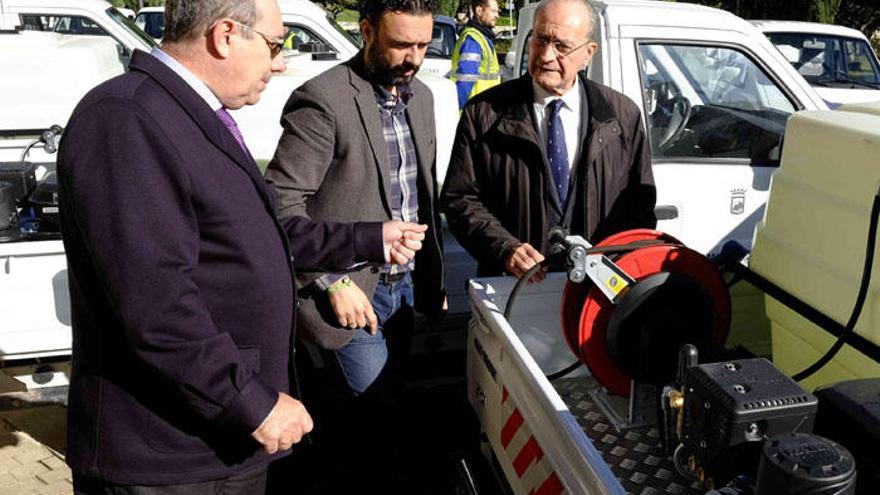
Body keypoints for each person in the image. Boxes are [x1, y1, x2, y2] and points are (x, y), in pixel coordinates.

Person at [58, 0, 427, 493]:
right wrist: (251, 402)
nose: (279, 62)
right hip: (166, 458)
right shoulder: (127, 119)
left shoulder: (188, 114)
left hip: (215, 443)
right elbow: (155, 304)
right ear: (226, 35)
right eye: (275, 44)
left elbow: (258, 234)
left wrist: (366, 237)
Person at [265, 0, 445, 488]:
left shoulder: (422, 98)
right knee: (375, 418)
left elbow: (419, 197)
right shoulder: (323, 101)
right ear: (366, 31)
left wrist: (432, 278)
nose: (413, 57)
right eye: (401, 44)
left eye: (423, 45)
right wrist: (330, 280)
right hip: (348, 297)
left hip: (403, 289)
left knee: (386, 409)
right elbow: (278, 210)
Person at [441, 0, 656, 280]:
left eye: (561, 46)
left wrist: (617, 271)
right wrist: (505, 249)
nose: (545, 55)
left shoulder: (621, 117)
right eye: (540, 39)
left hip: (595, 293)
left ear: (588, 53)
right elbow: (459, 199)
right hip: (514, 290)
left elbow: (639, 209)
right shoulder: (484, 114)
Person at [449, 0, 501, 109]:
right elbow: (465, 82)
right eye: (493, 11)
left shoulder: (483, 38)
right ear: (479, 11)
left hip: (481, 110)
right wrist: (454, 110)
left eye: (497, 12)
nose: (497, 16)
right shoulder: (473, 41)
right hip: (473, 113)